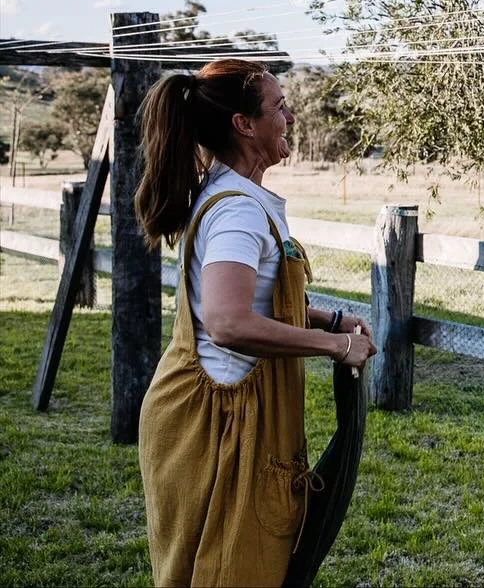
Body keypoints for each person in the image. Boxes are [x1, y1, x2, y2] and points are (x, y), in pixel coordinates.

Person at [133, 58, 376, 586]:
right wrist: (333, 347)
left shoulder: (238, 199)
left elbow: (247, 299)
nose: (289, 117)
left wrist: (332, 319)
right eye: (279, 107)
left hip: (226, 412)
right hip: (217, 423)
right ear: (244, 125)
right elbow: (224, 321)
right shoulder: (237, 210)